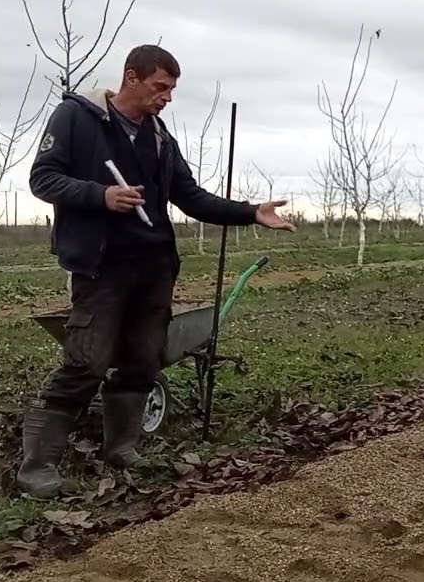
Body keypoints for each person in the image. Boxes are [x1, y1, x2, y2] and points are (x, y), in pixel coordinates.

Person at [19, 44, 295, 498]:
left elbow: (190, 196)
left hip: (154, 266)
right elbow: (42, 179)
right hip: (101, 266)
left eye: (171, 89)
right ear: (131, 78)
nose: (166, 97)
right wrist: (101, 195)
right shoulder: (76, 118)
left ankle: (122, 449)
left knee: (143, 359)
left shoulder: (159, 136)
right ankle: (37, 468)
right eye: (159, 87)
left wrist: (250, 212)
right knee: (86, 361)